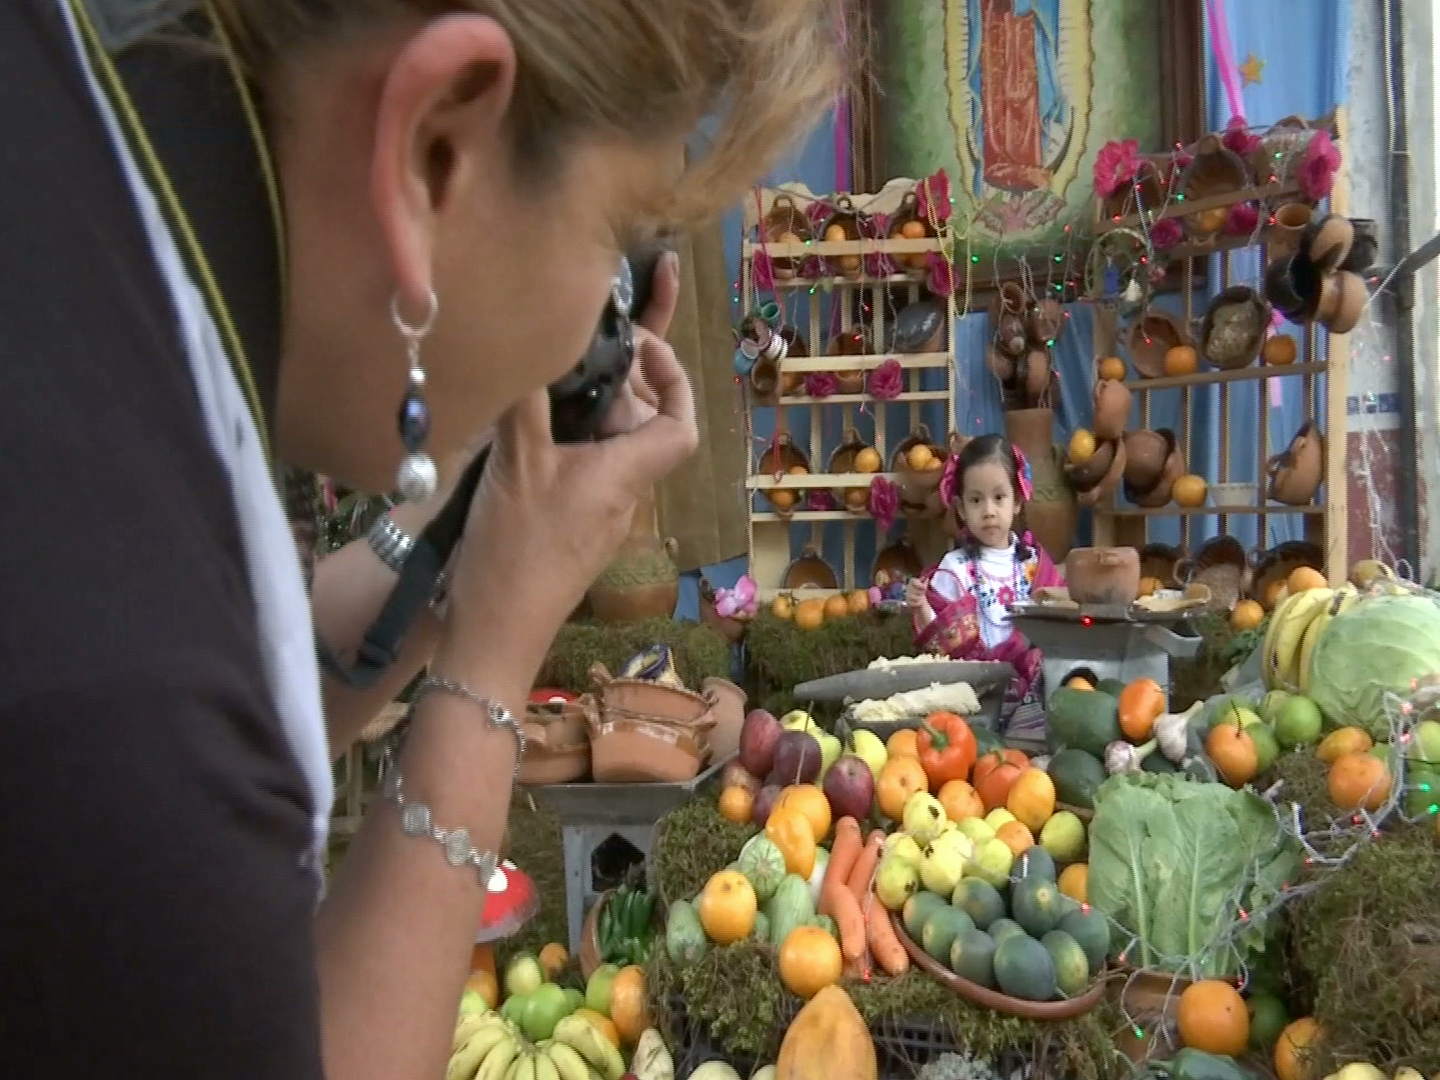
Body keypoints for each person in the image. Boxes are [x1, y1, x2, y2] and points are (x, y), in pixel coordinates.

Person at [0, 1, 842, 1077]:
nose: (609, 317)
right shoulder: (113, 695)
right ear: (436, 145)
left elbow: (268, 675)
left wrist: (464, 531)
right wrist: (495, 648)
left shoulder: (95, 181)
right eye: (621, 236)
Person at [907, 434, 1064, 739]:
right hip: (971, 697)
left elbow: (1057, 625)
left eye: (999, 497)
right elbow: (939, 644)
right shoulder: (954, 569)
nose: (989, 510)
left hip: (1031, 699)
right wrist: (921, 605)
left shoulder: (1034, 565)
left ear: (1018, 500)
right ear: (961, 509)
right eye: (976, 500)